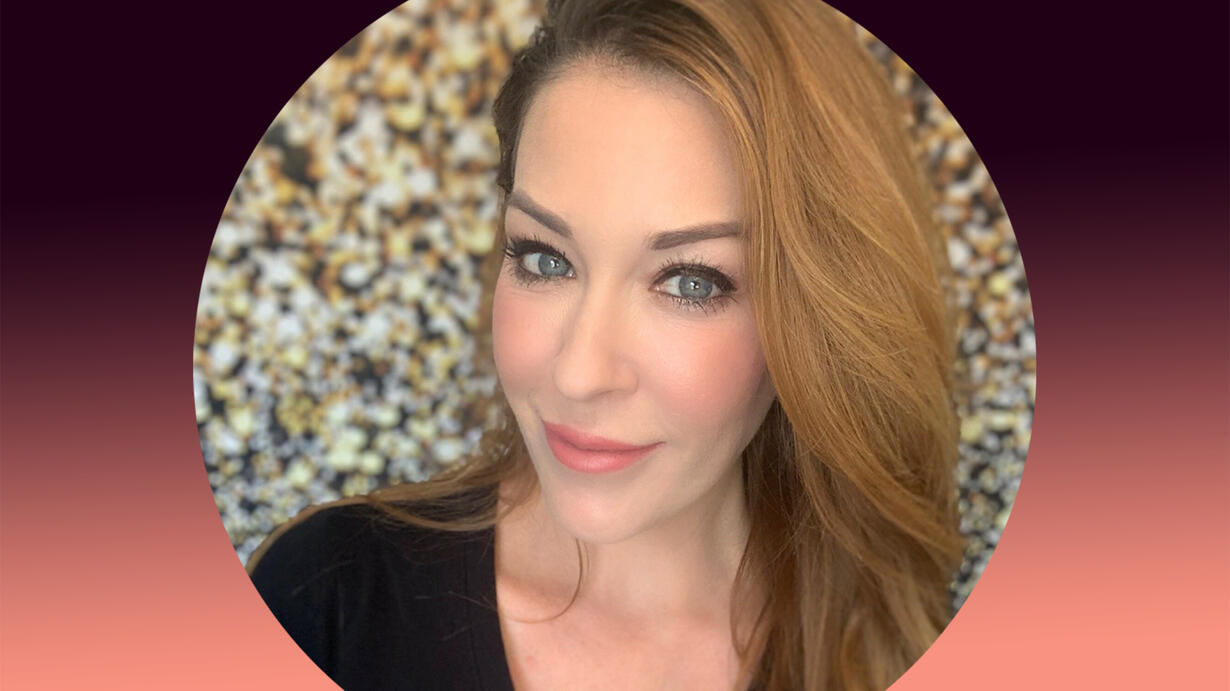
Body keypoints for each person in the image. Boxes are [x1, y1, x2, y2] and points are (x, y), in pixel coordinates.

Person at [247, 0, 964, 689]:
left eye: (689, 282)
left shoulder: (888, 639)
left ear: (819, 315)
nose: (580, 373)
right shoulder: (326, 604)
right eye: (545, 259)